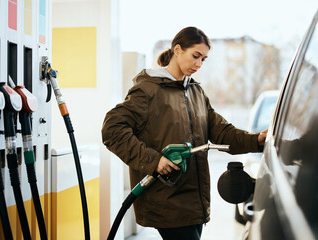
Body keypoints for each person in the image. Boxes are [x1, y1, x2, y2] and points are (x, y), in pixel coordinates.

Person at [102, 26, 267, 240]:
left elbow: (221, 132)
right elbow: (112, 129)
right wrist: (154, 161)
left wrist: (256, 141)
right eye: (195, 56)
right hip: (166, 199)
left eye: (204, 59)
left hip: (192, 201)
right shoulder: (147, 90)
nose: (199, 64)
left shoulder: (195, 92)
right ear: (177, 50)